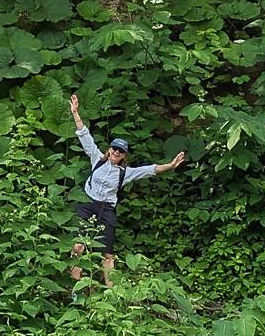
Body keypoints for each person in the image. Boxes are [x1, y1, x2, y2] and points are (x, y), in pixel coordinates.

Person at [67, 90, 185, 286]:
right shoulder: (97, 159)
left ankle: (112, 293)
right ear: (110, 149)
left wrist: (171, 166)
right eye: (114, 148)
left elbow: (150, 170)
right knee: (79, 246)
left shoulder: (125, 172)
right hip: (88, 204)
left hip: (107, 209)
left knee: (107, 254)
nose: (116, 152)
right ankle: (75, 290)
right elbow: (84, 135)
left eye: (120, 151)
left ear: (124, 155)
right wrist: (75, 112)